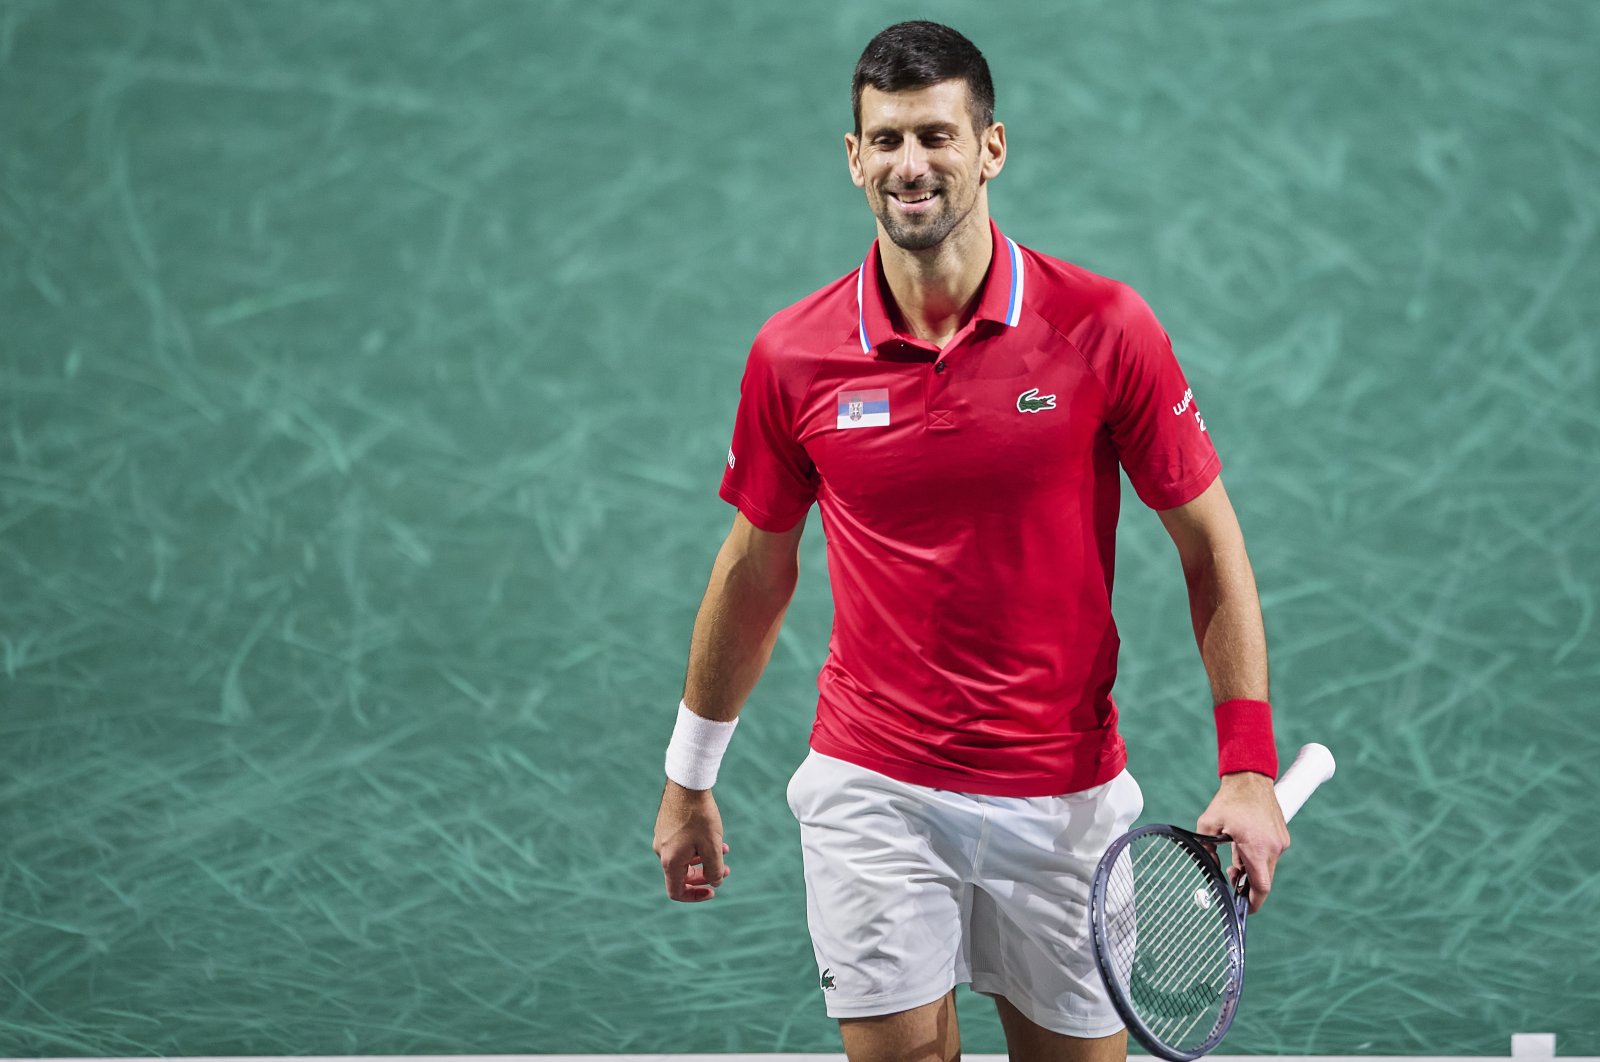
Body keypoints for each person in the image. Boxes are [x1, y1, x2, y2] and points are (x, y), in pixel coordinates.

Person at [652, 20, 1289, 1062]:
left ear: (991, 147)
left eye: (938, 137)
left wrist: (1249, 768)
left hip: (1065, 794)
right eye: (888, 139)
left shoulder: (1103, 327)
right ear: (852, 155)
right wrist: (689, 778)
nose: (912, 165)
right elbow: (754, 569)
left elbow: (1210, 547)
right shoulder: (794, 356)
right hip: (875, 785)